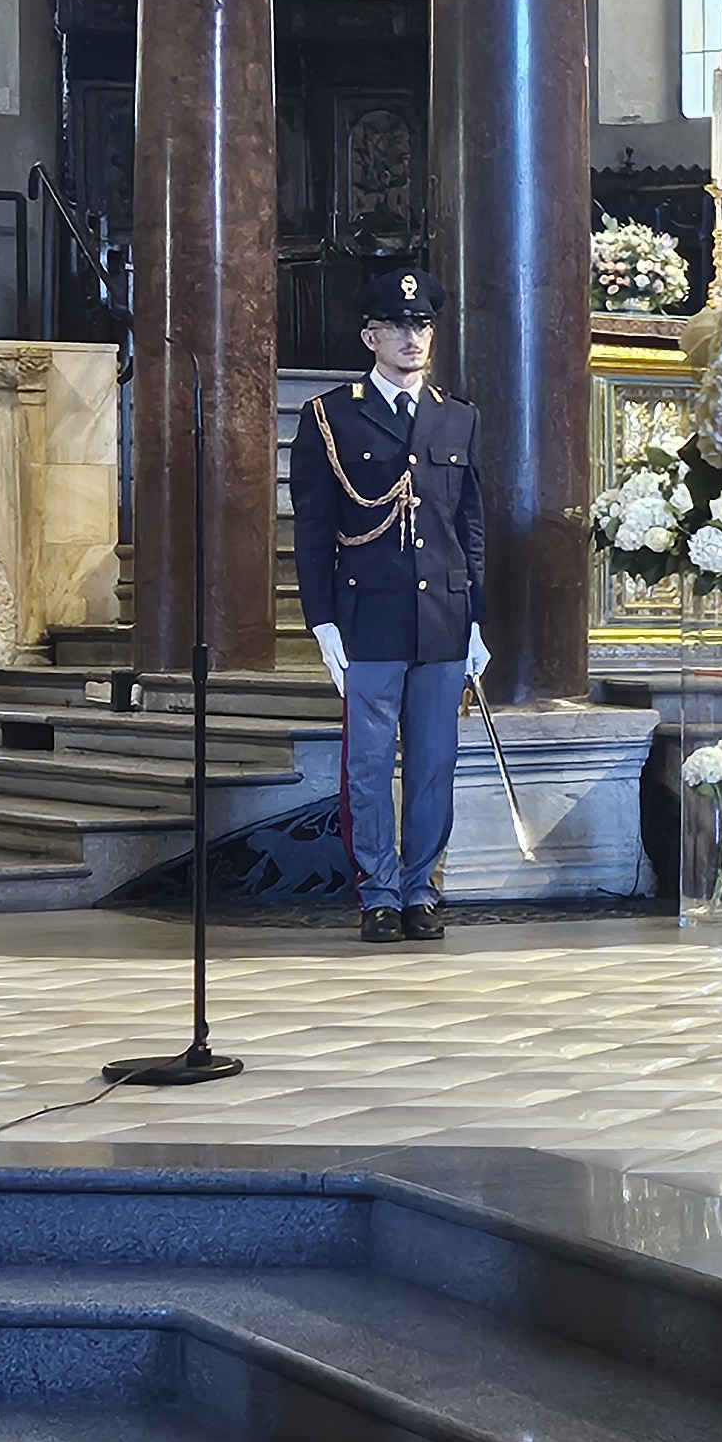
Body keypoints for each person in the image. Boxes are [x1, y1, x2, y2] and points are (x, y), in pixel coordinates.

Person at [289, 260, 485, 943]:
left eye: (423, 324)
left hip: (441, 620)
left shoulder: (456, 418)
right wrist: (321, 623)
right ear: (370, 335)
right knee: (369, 767)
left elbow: (470, 526)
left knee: (434, 764)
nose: (413, 338)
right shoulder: (331, 418)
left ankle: (420, 889)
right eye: (399, 326)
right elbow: (313, 530)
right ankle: (376, 892)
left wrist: (478, 617)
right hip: (366, 616)